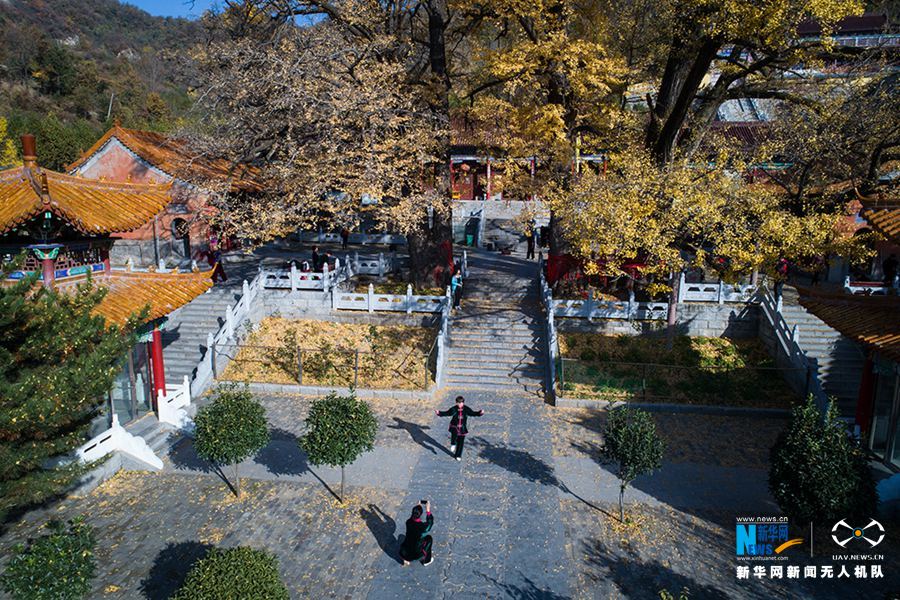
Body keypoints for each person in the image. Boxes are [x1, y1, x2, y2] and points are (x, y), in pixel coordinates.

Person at [435, 396, 484, 460]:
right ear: (456, 403)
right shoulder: (453, 409)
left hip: (462, 428)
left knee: (461, 442)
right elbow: (447, 413)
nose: (460, 404)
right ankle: (453, 443)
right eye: (459, 403)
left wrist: (479, 413)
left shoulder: (466, 409)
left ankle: (458, 455)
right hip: (454, 427)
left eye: (461, 403)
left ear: (463, 403)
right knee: (454, 436)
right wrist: (439, 413)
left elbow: (472, 413)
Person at [399, 500, 434, 566]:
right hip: (416, 555)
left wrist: (417, 508)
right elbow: (430, 524)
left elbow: (413, 517)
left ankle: (405, 559)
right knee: (429, 539)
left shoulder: (408, 522)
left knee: (409, 538)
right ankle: (427, 561)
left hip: (403, 552)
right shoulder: (423, 527)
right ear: (420, 514)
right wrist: (428, 511)